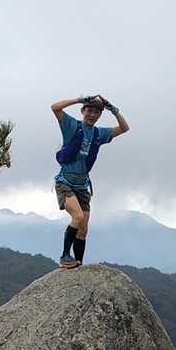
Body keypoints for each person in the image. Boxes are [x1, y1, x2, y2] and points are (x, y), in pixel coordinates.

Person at [50, 94, 130, 268]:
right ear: (83, 111)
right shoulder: (72, 125)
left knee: (83, 229)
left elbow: (124, 128)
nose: (92, 115)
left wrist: (113, 110)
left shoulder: (99, 134)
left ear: (100, 115)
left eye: (96, 112)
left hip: (82, 185)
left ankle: (78, 263)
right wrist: (79, 99)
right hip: (65, 181)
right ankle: (64, 256)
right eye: (89, 110)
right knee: (77, 217)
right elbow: (55, 107)